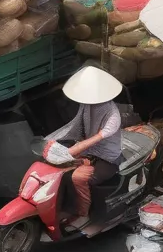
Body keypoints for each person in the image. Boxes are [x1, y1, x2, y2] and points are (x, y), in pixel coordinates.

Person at [44, 65, 124, 231]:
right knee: (60, 173)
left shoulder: (113, 115)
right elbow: (75, 126)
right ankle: (64, 209)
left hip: (107, 159)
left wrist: (75, 149)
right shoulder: (87, 105)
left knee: (78, 178)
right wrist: (55, 141)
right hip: (87, 153)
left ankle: (83, 214)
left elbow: (97, 138)